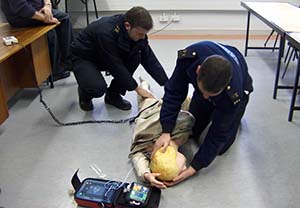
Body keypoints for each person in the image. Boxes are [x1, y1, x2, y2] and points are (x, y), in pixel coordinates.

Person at [153, 41, 253, 187]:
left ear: (225, 86)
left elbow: (218, 135)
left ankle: (236, 117)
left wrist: (194, 168)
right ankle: (208, 101)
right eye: (204, 92)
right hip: (211, 63)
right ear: (198, 70)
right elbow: (174, 93)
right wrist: (166, 131)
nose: (206, 97)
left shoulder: (233, 93)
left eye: (211, 94)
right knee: (192, 127)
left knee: (221, 146)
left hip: (241, 84)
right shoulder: (189, 59)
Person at [71, 6, 168, 112]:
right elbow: (115, 65)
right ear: (127, 26)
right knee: (97, 88)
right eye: (140, 34)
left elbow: (149, 59)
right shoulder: (105, 32)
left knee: (135, 57)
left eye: (144, 34)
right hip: (85, 57)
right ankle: (85, 93)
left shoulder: (137, 33)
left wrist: (167, 84)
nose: (142, 37)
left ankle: (113, 96)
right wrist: (138, 89)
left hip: (107, 56)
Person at [129, 78, 194, 189]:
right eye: (183, 168)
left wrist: (146, 175)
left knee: (146, 97)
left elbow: (137, 157)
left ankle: (144, 84)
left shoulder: (147, 146)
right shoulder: (180, 137)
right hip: (172, 113)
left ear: (167, 155)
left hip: (149, 113)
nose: (183, 168)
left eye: (180, 167)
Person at [1, 0, 73, 81]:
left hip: (39, 10)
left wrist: (48, 5)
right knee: (60, 21)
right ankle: (59, 68)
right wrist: (45, 18)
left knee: (60, 20)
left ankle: (66, 61)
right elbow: (22, 8)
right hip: (22, 17)